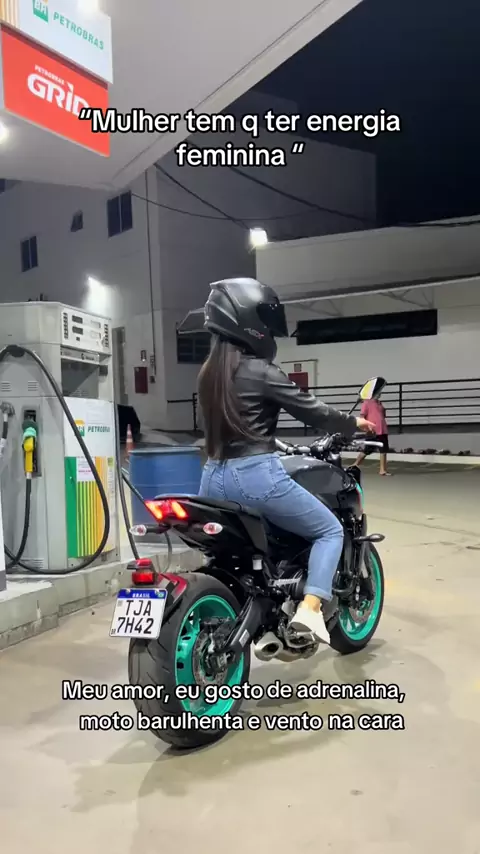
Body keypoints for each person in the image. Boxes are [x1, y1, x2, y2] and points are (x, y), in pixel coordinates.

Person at [196, 277, 375, 646]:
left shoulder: (209, 374)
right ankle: (309, 610)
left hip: (211, 477)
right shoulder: (260, 371)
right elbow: (313, 411)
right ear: (251, 322)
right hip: (254, 477)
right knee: (329, 531)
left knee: (240, 554)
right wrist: (352, 423)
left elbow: (237, 423)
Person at [354, 392, 391, 476]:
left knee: (384, 450)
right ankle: (355, 465)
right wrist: (366, 427)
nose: (379, 394)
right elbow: (362, 416)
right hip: (372, 430)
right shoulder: (366, 402)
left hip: (382, 429)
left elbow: (383, 415)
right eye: (378, 392)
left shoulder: (379, 403)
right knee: (367, 449)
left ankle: (382, 470)